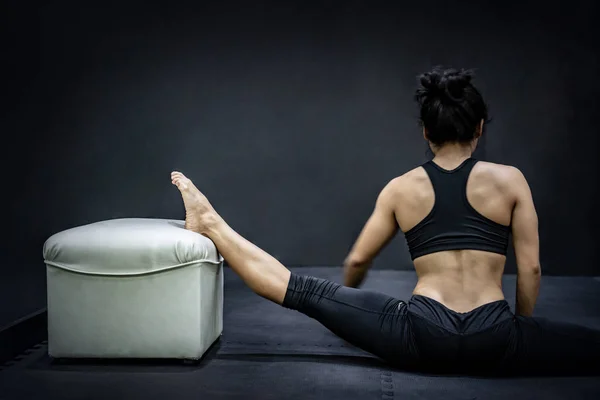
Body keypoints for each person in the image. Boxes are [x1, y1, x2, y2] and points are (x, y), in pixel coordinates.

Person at [170, 67, 600, 376]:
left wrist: (349, 313)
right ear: (480, 127)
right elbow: (531, 269)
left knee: (302, 290)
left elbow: (358, 261)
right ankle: (208, 221)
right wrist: (519, 336)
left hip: (421, 335)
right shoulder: (511, 182)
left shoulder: (401, 188)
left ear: (425, 133)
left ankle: (210, 222)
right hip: (496, 337)